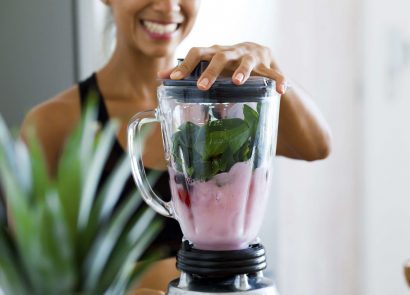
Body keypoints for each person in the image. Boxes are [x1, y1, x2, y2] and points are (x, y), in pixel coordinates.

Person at [20, 0, 332, 293]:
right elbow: (34, 277)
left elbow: (317, 145)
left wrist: (268, 64)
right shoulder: (54, 123)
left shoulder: (222, 104)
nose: (168, 6)